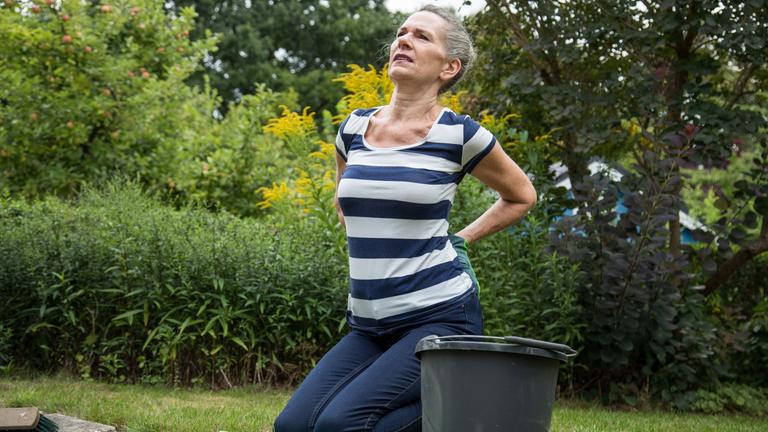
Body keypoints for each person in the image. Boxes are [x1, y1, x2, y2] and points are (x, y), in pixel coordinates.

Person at [273, 5, 537, 432]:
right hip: (368, 324)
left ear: (449, 67)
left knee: (340, 424)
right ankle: (459, 404)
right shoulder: (353, 129)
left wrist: (461, 239)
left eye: (422, 36)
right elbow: (345, 201)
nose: (404, 40)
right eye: (402, 32)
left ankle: (469, 407)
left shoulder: (460, 135)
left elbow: (521, 196)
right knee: (293, 426)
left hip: (440, 316)